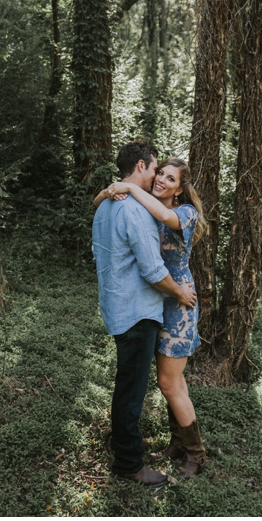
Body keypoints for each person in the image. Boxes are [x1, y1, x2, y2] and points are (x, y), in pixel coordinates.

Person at [94, 157, 209, 478]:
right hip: (157, 299)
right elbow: (101, 202)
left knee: (169, 382)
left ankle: (196, 454)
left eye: (170, 179)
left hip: (179, 299)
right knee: (169, 381)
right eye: (160, 174)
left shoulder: (184, 213)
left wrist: (128, 185)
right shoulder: (143, 205)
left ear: (180, 189)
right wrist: (109, 192)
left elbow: (161, 214)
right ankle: (177, 442)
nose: (161, 180)